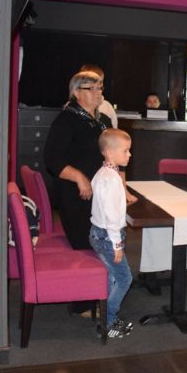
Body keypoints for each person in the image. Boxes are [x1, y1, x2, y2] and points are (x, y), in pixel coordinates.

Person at [44, 71, 111, 250]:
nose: (98, 93)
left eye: (100, 88)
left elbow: (115, 155)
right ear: (76, 92)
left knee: (114, 238)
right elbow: (52, 159)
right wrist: (80, 178)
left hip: (103, 191)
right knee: (98, 243)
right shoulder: (66, 120)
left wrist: (122, 187)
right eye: (91, 89)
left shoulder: (103, 121)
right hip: (77, 194)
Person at [89, 128, 135, 339]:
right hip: (108, 237)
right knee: (124, 279)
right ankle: (107, 321)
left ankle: (105, 317)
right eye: (125, 151)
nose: (129, 154)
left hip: (97, 233)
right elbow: (112, 216)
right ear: (109, 153)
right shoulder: (112, 179)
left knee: (111, 277)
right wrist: (117, 244)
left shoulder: (101, 173)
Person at [80, 64, 117, 128]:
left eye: (100, 82)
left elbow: (114, 130)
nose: (97, 87)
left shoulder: (107, 107)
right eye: (91, 87)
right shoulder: (72, 107)